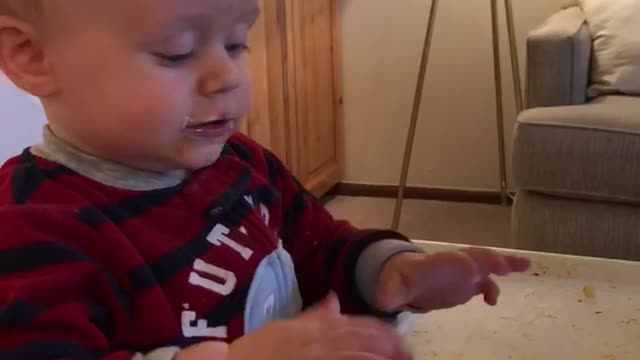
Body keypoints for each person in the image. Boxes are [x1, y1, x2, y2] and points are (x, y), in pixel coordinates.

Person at [0, 1, 530, 359]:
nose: (227, 76)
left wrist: (396, 273)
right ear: (32, 56)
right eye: (177, 52)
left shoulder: (241, 163)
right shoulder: (29, 233)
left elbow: (318, 245)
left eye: (234, 44)